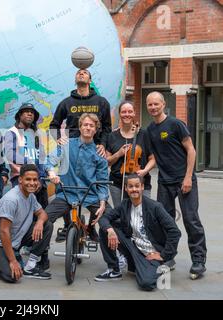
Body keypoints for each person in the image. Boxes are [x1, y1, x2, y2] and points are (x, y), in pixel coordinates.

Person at [146, 91, 207, 279]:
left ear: (164, 104)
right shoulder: (150, 130)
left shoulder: (175, 124)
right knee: (164, 221)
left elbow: (191, 150)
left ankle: (198, 261)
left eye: (156, 104)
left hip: (184, 180)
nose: (153, 107)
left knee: (191, 219)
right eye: (150, 105)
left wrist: (188, 177)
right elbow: (154, 157)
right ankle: (168, 257)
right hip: (164, 182)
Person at [95, 174, 181, 291]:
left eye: (137, 186)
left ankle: (162, 265)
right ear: (126, 188)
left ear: (142, 187)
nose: (134, 189)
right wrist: (110, 230)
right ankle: (114, 270)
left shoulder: (155, 207)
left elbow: (174, 231)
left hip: (150, 253)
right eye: (130, 186)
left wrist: (164, 255)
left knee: (146, 283)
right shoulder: (125, 205)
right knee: (105, 229)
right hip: (133, 247)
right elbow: (104, 218)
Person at [46, 113, 109, 243]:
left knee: (111, 220)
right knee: (44, 219)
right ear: (80, 127)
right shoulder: (65, 145)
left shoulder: (99, 152)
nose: (88, 128)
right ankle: (41, 256)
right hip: (65, 193)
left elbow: (102, 181)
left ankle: (114, 260)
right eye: (85, 125)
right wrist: (52, 173)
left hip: (90, 195)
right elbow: (49, 160)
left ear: (96, 130)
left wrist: (103, 202)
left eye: (91, 126)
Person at [0, 164, 53, 283]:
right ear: (20, 180)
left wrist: (40, 222)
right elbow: (3, 231)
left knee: (47, 225)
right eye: (28, 179)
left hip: (16, 238)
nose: (32, 183)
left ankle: (30, 266)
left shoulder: (31, 196)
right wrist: (13, 261)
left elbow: (43, 213)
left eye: (35, 179)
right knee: (12, 276)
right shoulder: (11, 199)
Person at [49, 68, 112, 157]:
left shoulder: (101, 102)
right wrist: (58, 138)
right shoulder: (66, 103)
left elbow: (107, 127)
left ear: (90, 81)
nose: (81, 74)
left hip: (95, 149)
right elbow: (54, 125)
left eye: (85, 73)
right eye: (78, 73)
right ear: (75, 80)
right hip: (72, 150)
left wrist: (103, 144)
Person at [106, 101, 156, 208]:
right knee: (121, 215)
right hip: (118, 183)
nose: (127, 114)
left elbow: (152, 159)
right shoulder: (112, 136)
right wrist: (118, 154)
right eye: (123, 112)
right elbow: (107, 161)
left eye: (130, 111)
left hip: (141, 181)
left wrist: (144, 171)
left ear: (134, 114)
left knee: (143, 213)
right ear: (119, 114)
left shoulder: (144, 134)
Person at [4, 103, 48, 209]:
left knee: (43, 214)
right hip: (21, 180)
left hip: (38, 180)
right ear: (19, 115)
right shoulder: (12, 132)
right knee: (23, 214)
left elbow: (41, 156)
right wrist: (28, 161)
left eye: (32, 113)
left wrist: (41, 178)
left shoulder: (35, 134)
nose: (30, 114)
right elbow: (10, 154)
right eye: (26, 112)